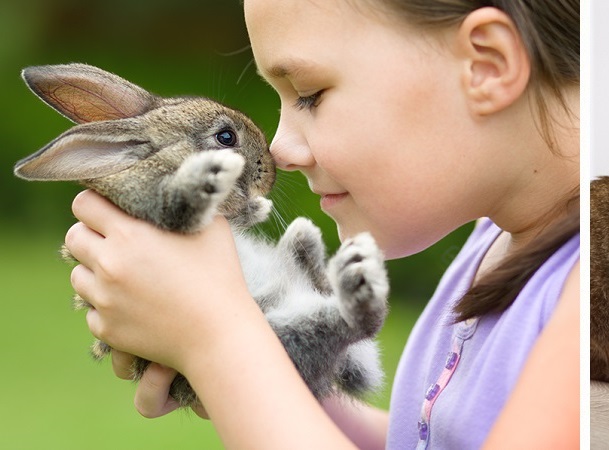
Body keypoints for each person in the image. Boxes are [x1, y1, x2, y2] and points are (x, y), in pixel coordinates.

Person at [63, 0, 580, 448]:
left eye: (310, 93)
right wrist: (261, 372)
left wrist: (218, 343)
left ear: (485, 65)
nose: (280, 148)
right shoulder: (497, 241)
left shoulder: (596, 292)